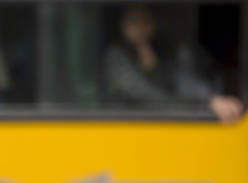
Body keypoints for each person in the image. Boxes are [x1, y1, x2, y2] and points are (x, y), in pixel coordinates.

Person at [103, 5, 244, 124]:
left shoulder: (165, 47)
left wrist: (211, 98)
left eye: (145, 21)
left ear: (154, 24)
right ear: (122, 25)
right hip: (130, 125)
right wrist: (201, 107)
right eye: (133, 21)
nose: (140, 27)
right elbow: (147, 97)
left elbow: (182, 80)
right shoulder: (116, 55)